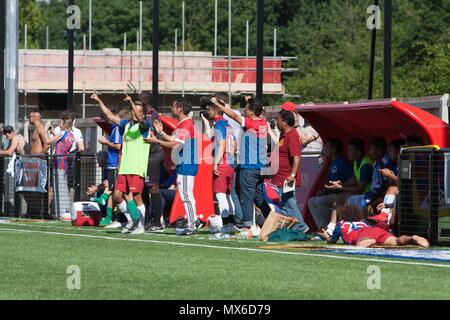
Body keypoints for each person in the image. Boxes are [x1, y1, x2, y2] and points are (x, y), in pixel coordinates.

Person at [91, 92, 151, 235]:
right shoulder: (126, 124)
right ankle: (131, 220)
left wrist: (131, 103)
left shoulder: (144, 126)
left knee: (136, 197)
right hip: (124, 167)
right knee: (117, 195)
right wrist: (99, 100)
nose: (135, 113)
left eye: (138, 111)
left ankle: (141, 226)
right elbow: (110, 117)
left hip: (136, 167)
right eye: (133, 110)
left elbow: (141, 118)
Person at [212, 96, 269, 238]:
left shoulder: (252, 123)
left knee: (246, 198)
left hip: (249, 166)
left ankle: (248, 227)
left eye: (246, 107)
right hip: (260, 166)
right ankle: (270, 220)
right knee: (258, 198)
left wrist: (218, 106)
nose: (244, 109)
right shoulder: (263, 123)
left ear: (250, 111)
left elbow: (234, 116)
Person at [145, 99, 201, 236]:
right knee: (185, 196)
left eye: (174, 106)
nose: (172, 108)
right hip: (184, 164)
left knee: (186, 196)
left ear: (180, 108)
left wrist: (157, 140)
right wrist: (162, 134)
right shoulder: (183, 123)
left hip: (187, 164)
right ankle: (193, 222)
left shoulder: (186, 124)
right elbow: (174, 139)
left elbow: (176, 144)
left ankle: (192, 224)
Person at [318, 204, 429, 248]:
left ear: (343, 216)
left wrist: (325, 237)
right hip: (374, 230)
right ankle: (412, 238)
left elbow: (332, 241)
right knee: (397, 241)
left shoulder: (340, 224)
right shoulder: (361, 221)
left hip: (362, 235)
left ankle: (369, 241)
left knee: (360, 245)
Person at [270, 110, 309, 233]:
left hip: (286, 178)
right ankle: (294, 228)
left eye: (279, 120)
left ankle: (302, 227)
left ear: (285, 122)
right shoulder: (284, 135)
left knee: (289, 204)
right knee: (285, 206)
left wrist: (292, 175)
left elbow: (296, 157)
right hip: (280, 178)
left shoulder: (292, 135)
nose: (277, 122)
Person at [324, 138, 373, 234]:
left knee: (347, 198)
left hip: (369, 195)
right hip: (362, 194)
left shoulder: (366, 165)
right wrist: (341, 184)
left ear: (358, 153)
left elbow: (359, 189)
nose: (347, 153)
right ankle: (332, 228)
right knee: (339, 199)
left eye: (350, 150)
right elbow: (354, 180)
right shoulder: (356, 162)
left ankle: (344, 227)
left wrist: (340, 187)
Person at [308, 138, 353, 230]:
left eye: (327, 147)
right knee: (311, 201)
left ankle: (330, 228)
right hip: (333, 193)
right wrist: (325, 191)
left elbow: (353, 180)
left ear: (334, 149)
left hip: (342, 193)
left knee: (321, 202)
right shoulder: (332, 161)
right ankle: (322, 228)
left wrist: (340, 186)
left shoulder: (342, 162)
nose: (325, 149)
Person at [206, 101, 236, 232]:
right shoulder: (228, 125)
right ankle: (232, 222)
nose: (208, 112)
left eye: (209, 110)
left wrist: (216, 162)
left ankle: (226, 224)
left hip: (223, 163)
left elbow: (222, 145)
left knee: (220, 195)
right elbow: (234, 145)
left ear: (214, 111)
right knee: (228, 195)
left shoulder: (218, 125)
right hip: (230, 163)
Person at [139, 92, 166, 233]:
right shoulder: (148, 113)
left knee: (153, 188)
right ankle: (148, 220)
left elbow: (145, 127)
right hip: (146, 154)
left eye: (139, 98)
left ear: (144, 100)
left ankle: (157, 222)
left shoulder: (151, 114)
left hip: (153, 154)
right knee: (144, 189)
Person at [347, 136, 397, 211]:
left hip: (384, 195)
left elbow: (388, 187)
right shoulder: (377, 162)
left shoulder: (386, 163)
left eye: (371, 149)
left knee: (361, 203)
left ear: (379, 150)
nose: (369, 152)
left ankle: (365, 222)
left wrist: (369, 200)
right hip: (375, 194)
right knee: (352, 199)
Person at [97, 108, 123, 226]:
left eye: (108, 118)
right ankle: (109, 217)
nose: (107, 121)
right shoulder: (114, 129)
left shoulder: (118, 129)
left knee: (116, 192)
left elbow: (118, 146)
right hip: (112, 164)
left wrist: (106, 142)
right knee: (112, 190)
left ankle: (119, 218)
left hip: (116, 164)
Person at [46, 116, 75, 219]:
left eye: (60, 123)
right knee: (62, 187)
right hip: (64, 163)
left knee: (59, 188)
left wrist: (46, 130)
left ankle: (62, 213)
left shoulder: (62, 133)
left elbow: (48, 141)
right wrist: (55, 134)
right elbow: (60, 141)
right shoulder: (71, 135)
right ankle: (63, 212)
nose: (59, 124)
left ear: (64, 124)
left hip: (59, 162)